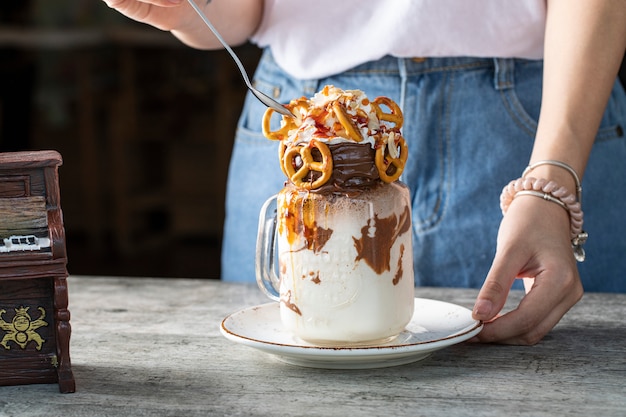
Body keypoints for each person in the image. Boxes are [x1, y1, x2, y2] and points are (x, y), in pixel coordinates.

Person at [102, 0, 626, 345]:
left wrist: (552, 178)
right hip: (301, 114)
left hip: (537, 115)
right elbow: (247, 12)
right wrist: (189, 8)